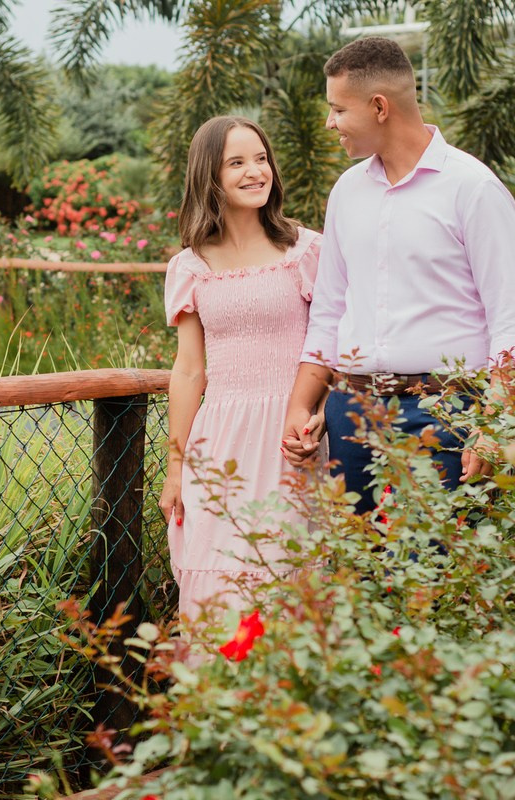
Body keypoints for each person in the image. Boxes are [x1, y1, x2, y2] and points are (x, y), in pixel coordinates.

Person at [282, 36, 515, 512]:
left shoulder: (474, 189)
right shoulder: (347, 192)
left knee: (437, 572)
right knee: (359, 573)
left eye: (337, 109)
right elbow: (330, 308)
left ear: (379, 107)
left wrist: (494, 423)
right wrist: (302, 405)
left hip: (445, 413)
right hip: (351, 413)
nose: (329, 122)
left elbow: (510, 321)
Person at [158, 115, 323, 622]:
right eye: (237, 163)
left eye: (261, 158)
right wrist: (175, 466)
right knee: (221, 584)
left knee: (291, 577)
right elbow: (189, 371)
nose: (256, 171)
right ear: (210, 177)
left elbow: (330, 347)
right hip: (220, 441)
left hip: (293, 439)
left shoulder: (307, 250)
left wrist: (320, 411)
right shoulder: (190, 266)